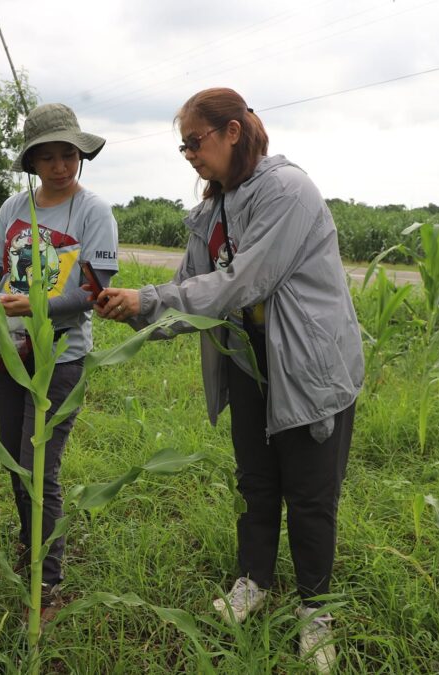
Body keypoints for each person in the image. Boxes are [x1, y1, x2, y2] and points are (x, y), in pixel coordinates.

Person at [95, 87, 362, 672]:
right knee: (256, 484)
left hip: (309, 369)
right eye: (183, 146)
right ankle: (255, 583)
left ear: (232, 132)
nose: (189, 154)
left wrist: (148, 299)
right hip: (251, 363)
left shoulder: (288, 191)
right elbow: (195, 295)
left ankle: (317, 613)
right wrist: (135, 310)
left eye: (195, 141)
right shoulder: (213, 211)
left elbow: (243, 282)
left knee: (312, 498)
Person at [0, 103, 119, 615]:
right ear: (32, 162)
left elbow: (95, 292)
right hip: (8, 352)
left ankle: (49, 578)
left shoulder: (93, 212)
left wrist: (39, 304)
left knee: (39, 467)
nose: (60, 166)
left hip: (60, 357)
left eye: (68, 155)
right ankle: (31, 543)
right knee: (16, 464)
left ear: (80, 156)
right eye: (48, 157)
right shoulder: (13, 207)